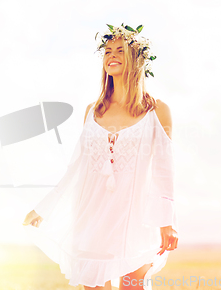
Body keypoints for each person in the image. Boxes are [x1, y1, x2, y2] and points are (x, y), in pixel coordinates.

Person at [23, 24, 178, 290]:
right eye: (107, 51)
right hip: (92, 215)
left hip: (136, 216)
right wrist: (43, 208)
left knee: (133, 285)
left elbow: (164, 171)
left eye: (120, 50)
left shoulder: (156, 111)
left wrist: (167, 222)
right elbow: (76, 168)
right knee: (93, 286)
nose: (112, 56)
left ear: (137, 60)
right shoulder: (92, 112)